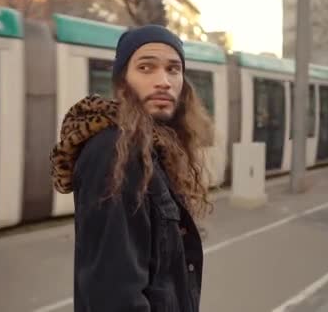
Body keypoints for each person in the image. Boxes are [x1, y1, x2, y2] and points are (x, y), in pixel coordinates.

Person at [51, 24, 214, 312]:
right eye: (146, 68)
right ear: (122, 81)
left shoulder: (152, 147)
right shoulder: (117, 153)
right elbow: (114, 295)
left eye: (173, 70)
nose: (163, 80)